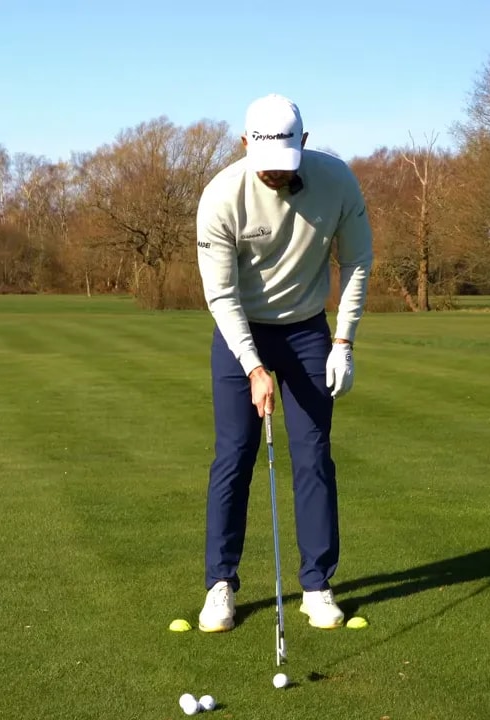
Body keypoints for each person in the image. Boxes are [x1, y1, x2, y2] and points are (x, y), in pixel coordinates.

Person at [193, 93, 374, 632]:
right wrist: (253, 368)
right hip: (239, 329)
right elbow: (221, 296)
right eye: (265, 164)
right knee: (235, 455)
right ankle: (220, 585)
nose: (275, 175)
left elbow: (358, 261)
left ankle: (317, 585)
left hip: (306, 331)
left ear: (305, 143)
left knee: (314, 455)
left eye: (285, 165)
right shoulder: (221, 196)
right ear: (245, 145)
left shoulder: (338, 181)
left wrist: (344, 340)